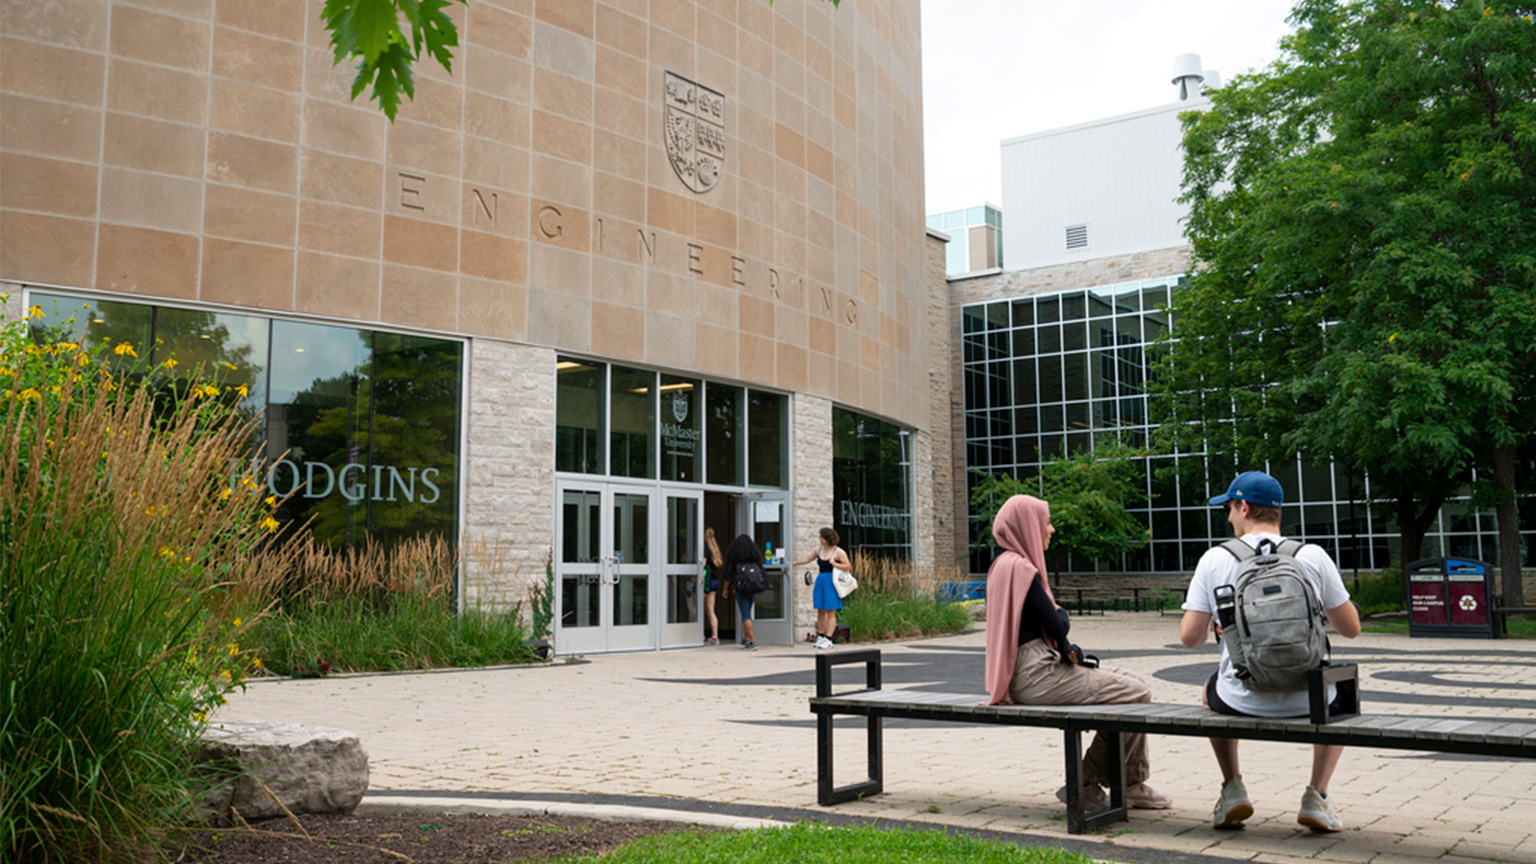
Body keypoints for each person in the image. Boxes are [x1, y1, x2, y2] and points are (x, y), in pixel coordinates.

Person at [1179, 470, 1361, 832]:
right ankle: (1317, 797)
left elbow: (1189, 638)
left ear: (1244, 507)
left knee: (1208, 688)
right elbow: (1351, 629)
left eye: (1229, 508)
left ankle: (1233, 789)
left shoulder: (1215, 559)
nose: (1228, 517)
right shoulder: (1312, 555)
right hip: (1311, 701)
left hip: (1241, 697)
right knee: (1343, 688)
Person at [983, 494, 1172, 812]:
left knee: (1132, 681)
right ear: (1028, 526)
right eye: (1046, 523)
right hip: (1038, 674)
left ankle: (1128, 783)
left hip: (1021, 673)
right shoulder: (1022, 569)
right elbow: (1058, 627)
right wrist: (1062, 615)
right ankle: (1090, 781)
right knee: (1137, 692)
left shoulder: (1000, 566)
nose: (1052, 529)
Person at [794, 526, 851, 650]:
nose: (820, 539)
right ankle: (820, 636)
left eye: (822, 537)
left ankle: (829, 639)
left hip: (832, 581)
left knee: (831, 611)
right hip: (821, 580)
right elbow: (808, 558)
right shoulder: (819, 550)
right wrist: (795, 563)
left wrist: (834, 563)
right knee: (820, 610)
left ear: (828, 539)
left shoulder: (838, 552)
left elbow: (847, 566)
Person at [722, 533, 763, 650]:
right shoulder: (755, 558)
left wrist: (725, 589)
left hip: (740, 588)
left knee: (745, 615)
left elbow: (728, 575)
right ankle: (746, 640)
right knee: (748, 612)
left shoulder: (735, 558)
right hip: (753, 588)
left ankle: (753, 642)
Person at [701, 527, 724, 645]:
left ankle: (698, 633)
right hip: (715, 582)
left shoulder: (705, 549)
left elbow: (703, 563)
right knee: (710, 610)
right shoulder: (715, 549)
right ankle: (715, 637)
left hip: (707, 581)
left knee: (695, 605)